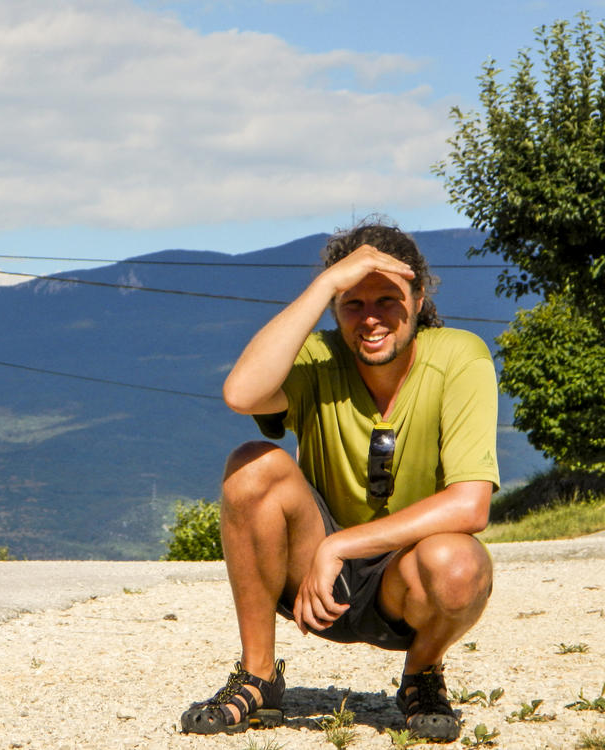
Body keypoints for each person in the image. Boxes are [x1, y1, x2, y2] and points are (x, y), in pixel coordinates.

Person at [180, 220, 499, 743]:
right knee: (251, 463)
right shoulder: (320, 357)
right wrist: (326, 284)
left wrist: (343, 545)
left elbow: (471, 506)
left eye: (388, 301)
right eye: (352, 303)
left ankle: (422, 673)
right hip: (311, 569)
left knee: (460, 564)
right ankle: (257, 676)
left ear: (418, 300)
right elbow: (240, 393)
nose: (370, 319)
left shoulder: (459, 356)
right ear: (335, 310)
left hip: (406, 575)